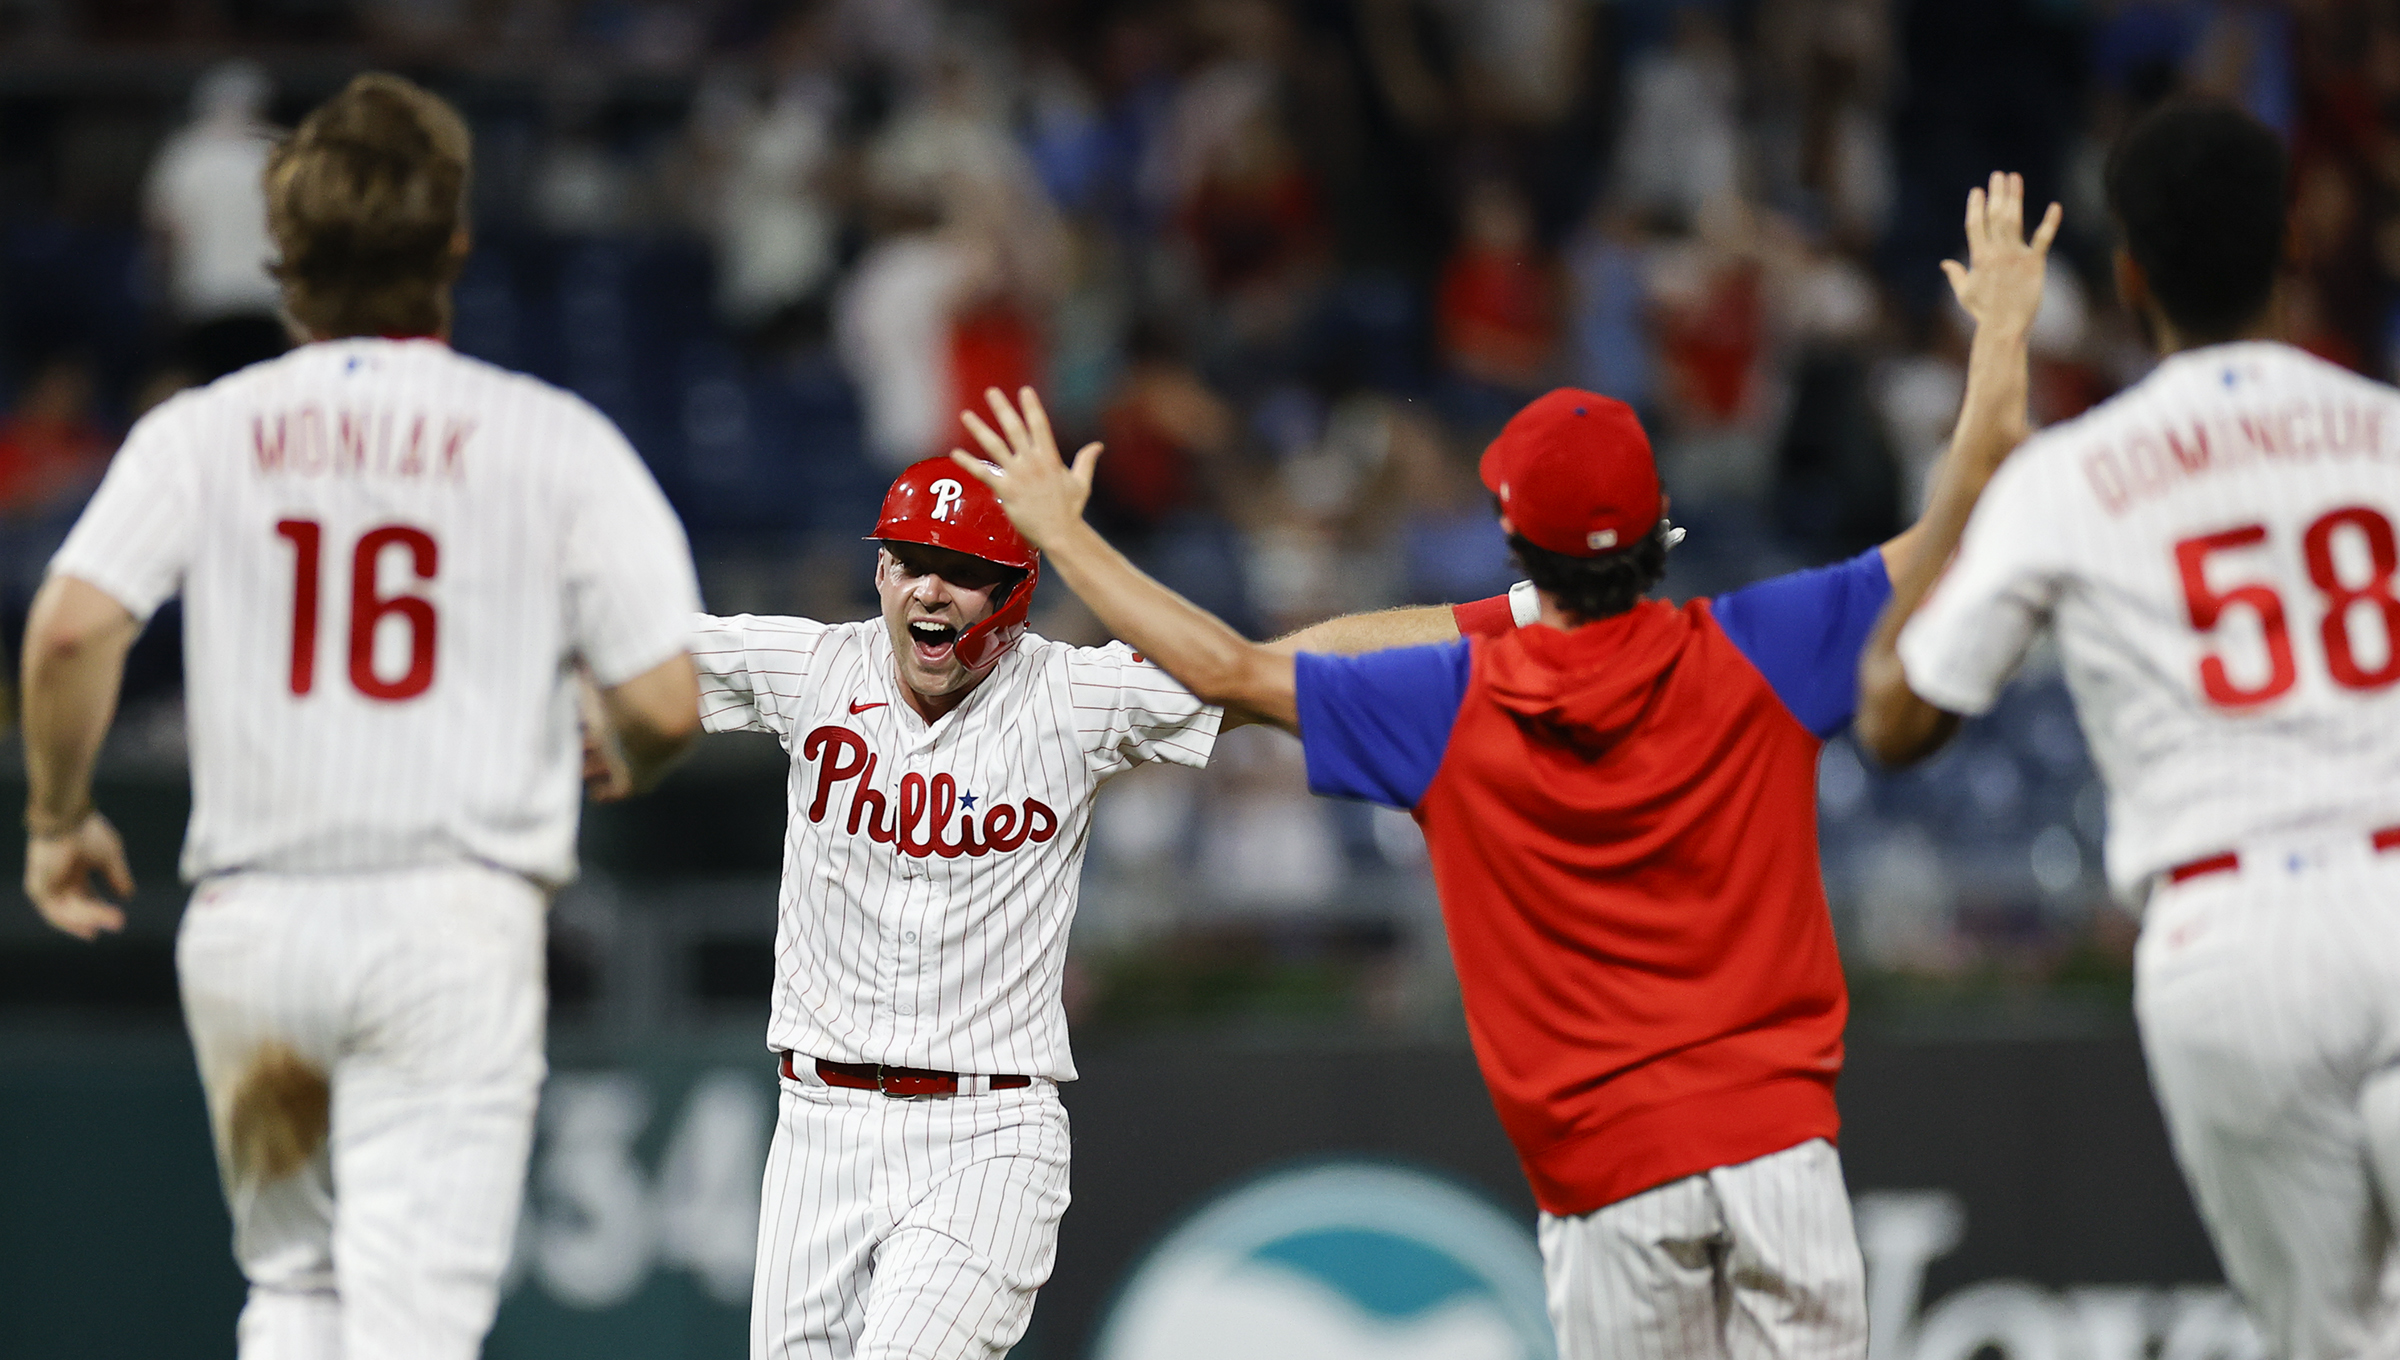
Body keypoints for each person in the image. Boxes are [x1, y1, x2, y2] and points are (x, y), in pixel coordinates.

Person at [944, 172, 2052, 1359]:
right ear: (1656, 530)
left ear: (1515, 538)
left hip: (1611, 1186)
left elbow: (1224, 668)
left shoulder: (1450, 707)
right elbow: (1970, 506)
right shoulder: (1759, 647)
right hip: (1781, 1154)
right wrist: (2000, 332)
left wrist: (1065, 534)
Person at [19, 74, 703, 1360]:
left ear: (285, 263)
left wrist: (59, 816)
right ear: (453, 242)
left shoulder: (202, 431)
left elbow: (65, 627)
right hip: (449, 920)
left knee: (293, 1291)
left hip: (255, 925)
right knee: (413, 1325)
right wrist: (635, 745)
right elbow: (664, 698)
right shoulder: (550, 440)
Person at [1859, 99, 2400, 1360]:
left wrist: (1967, 484)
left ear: (2128, 271)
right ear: (2296, 245)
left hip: (2230, 938)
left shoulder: (2072, 476)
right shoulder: (2388, 435)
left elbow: (1894, 720)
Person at [695, 455, 1424, 1359]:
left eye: (961, 570)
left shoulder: (1071, 697)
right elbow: (606, 647)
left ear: (1013, 591)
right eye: (908, 559)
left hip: (984, 1134)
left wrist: (1508, 614)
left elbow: (1276, 670)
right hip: (816, 1127)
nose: (929, 588)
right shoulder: (810, 668)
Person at [145, 60, 289, 384]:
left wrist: (161, 294)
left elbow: (165, 232)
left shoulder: (187, 152)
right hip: (267, 299)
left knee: (214, 397)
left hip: (206, 300)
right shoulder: (280, 151)